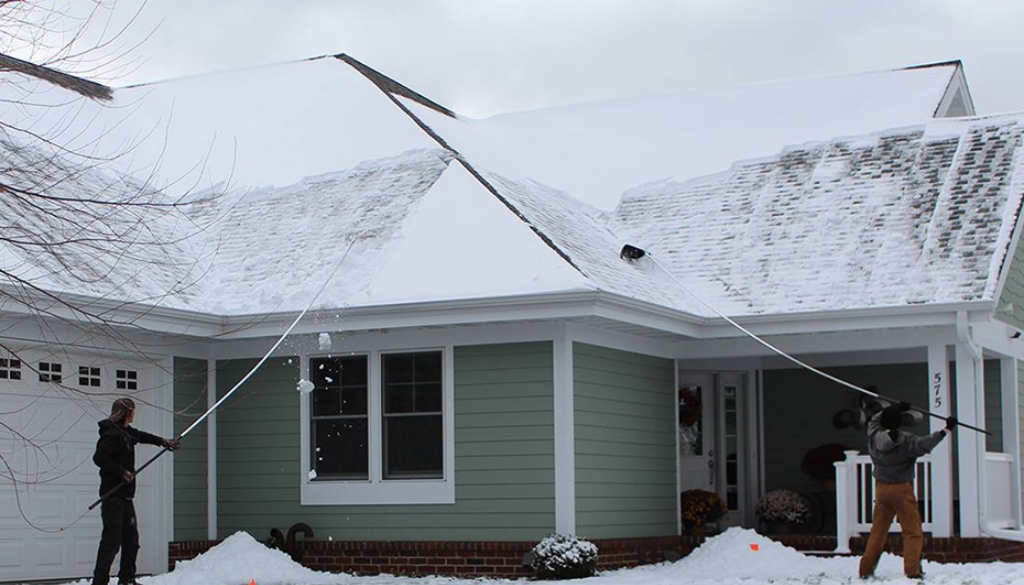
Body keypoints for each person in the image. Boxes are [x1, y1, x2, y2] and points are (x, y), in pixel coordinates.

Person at [858, 401, 956, 580]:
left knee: (878, 531)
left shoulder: (873, 434)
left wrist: (895, 408)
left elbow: (873, 420)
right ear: (900, 422)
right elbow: (925, 444)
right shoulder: (906, 441)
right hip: (902, 490)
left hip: (882, 489)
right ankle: (912, 570)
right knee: (912, 531)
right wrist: (946, 430)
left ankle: (865, 569)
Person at [91, 398, 179, 585]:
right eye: (132, 411)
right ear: (126, 413)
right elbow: (99, 458)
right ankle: (99, 582)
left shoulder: (126, 432)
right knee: (111, 543)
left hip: (125, 497)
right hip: (113, 497)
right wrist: (121, 472)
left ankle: (127, 579)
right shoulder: (111, 435)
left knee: (131, 542)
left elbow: (142, 436)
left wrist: (164, 442)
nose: (134, 414)